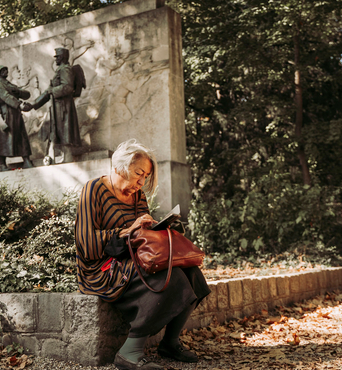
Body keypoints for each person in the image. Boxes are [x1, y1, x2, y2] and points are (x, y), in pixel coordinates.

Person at [74, 139, 211, 370]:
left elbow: (142, 236)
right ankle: (129, 352)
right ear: (120, 166)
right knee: (172, 278)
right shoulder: (93, 190)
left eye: (146, 176)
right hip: (103, 266)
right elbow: (86, 245)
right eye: (139, 173)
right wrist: (125, 232)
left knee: (192, 273)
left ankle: (169, 343)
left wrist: (159, 229)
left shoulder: (138, 196)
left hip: (133, 258)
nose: (142, 181)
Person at [34, 47, 81, 165]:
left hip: (63, 107)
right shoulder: (60, 70)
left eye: (58, 57)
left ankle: (67, 159)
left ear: (63, 57)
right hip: (57, 107)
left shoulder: (65, 69)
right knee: (57, 133)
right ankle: (57, 158)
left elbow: (68, 87)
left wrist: (52, 91)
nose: (56, 59)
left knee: (64, 133)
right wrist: (34, 104)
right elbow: (49, 91)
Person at [0, 65, 34, 172]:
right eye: (3, 70)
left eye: (6, 69)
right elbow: (5, 96)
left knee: (22, 136)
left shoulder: (9, 84)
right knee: (2, 138)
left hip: (15, 113)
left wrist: (18, 92)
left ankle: (26, 160)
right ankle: (2, 164)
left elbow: (26, 94)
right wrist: (20, 105)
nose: (6, 71)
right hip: (5, 113)